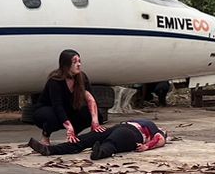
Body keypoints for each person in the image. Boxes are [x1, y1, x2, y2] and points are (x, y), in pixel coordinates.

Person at [28, 49, 103, 142]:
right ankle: (46, 135)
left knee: (96, 115)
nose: (79, 64)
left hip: (69, 109)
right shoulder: (55, 80)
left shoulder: (82, 77)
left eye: (79, 61)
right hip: (49, 109)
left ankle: (73, 136)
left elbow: (91, 99)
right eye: (75, 62)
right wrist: (69, 127)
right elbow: (57, 106)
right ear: (66, 65)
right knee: (52, 118)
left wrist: (95, 121)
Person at [28, 117, 167, 159]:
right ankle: (50, 150)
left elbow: (160, 139)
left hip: (132, 134)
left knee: (112, 142)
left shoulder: (153, 127)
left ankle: (99, 153)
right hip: (118, 127)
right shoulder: (147, 121)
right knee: (84, 139)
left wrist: (147, 146)